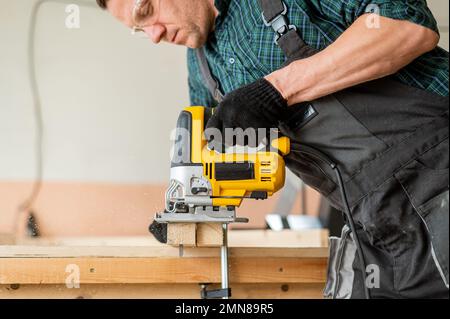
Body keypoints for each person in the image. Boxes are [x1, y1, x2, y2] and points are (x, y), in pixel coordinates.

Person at [96, 0, 449, 299]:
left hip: (439, 175)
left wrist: (278, 89)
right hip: (373, 226)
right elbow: (212, 161)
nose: (154, 35)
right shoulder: (202, 64)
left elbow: (405, 25)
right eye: (139, 29)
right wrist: (190, 206)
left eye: (146, 10)